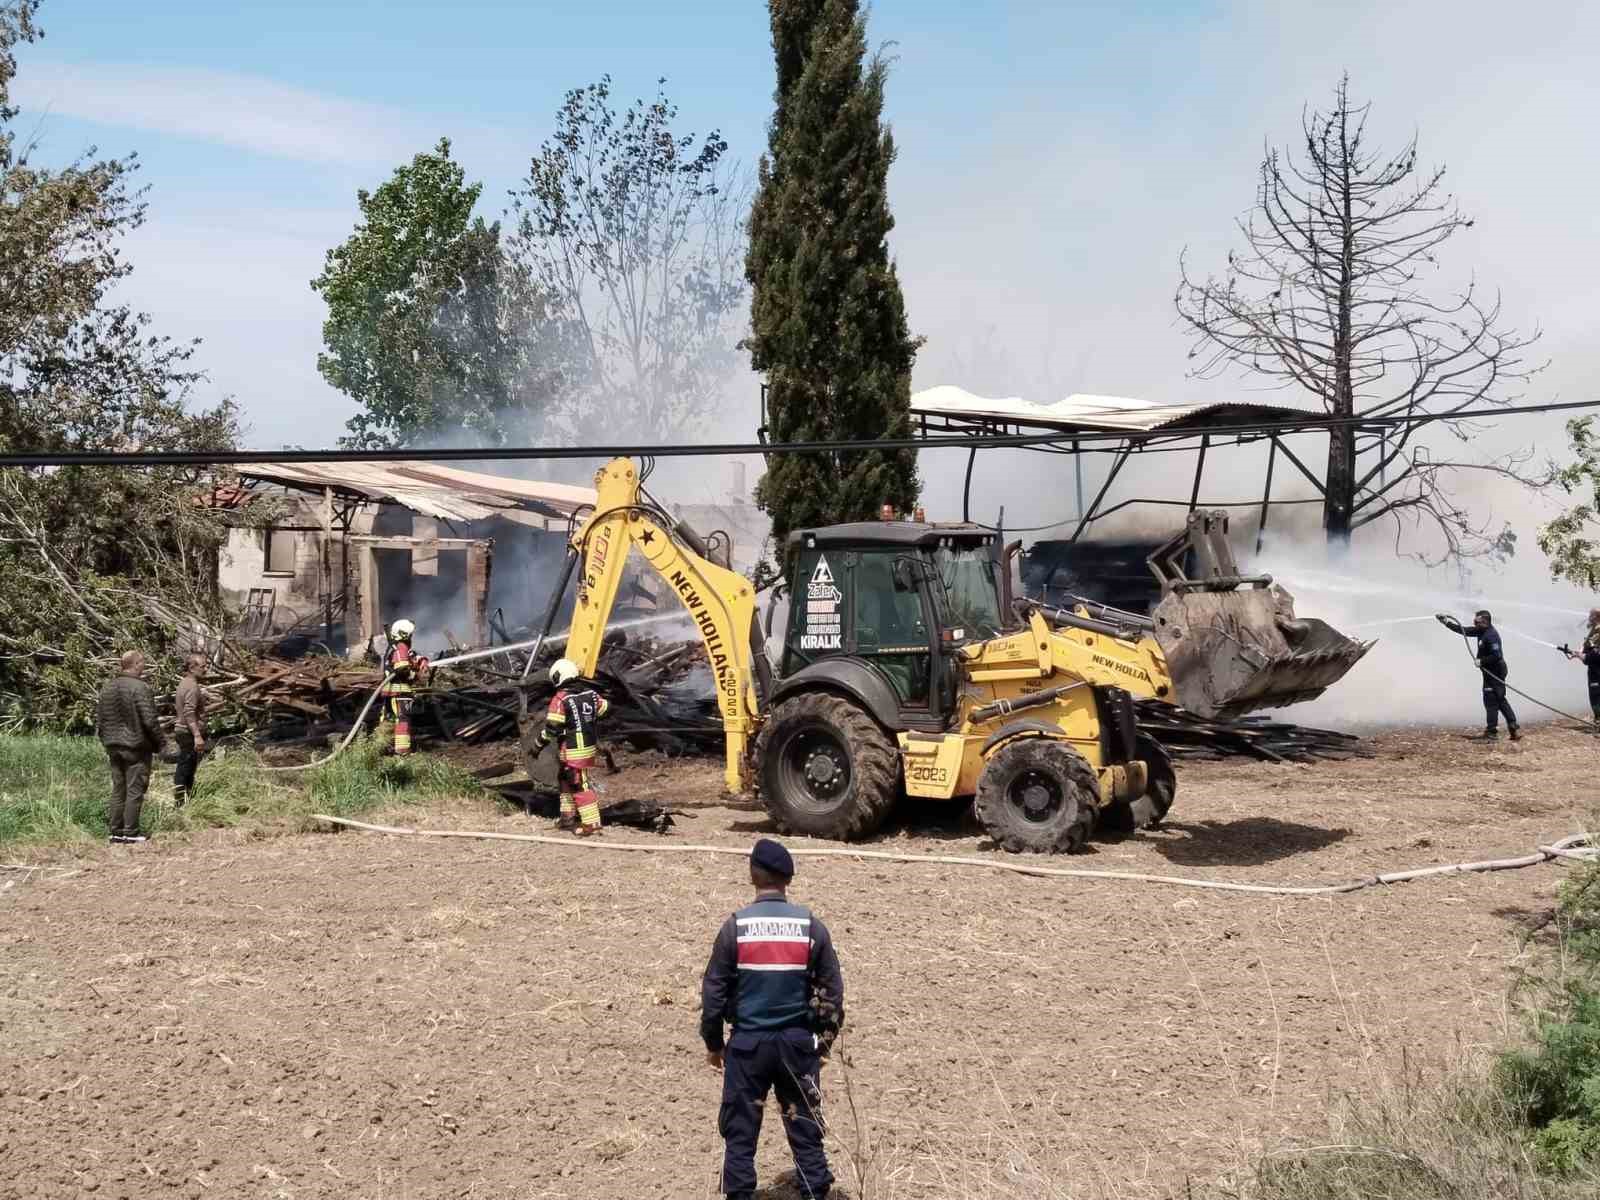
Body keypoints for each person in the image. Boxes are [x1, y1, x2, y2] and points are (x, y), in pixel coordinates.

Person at [700, 838, 844, 1200]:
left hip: (748, 1047)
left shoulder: (735, 927)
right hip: (797, 1046)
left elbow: (714, 993)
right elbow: (832, 993)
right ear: (788, 880)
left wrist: (714, 1044)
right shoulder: (812, 927)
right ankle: (814, 1190)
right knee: (805, 1126)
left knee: (740, 1132)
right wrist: (823, 1043)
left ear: (752, 876)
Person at [95, 650, 166, 844]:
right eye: (142, 662)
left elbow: (100, 720)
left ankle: (115, 832)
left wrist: (105, 741)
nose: (144, 666)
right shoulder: (140, 688)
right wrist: (161, 744)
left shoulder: (107, 688)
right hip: (135, 746)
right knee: (135, 789)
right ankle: (131, 832)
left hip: (112, 745)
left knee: (119, 789)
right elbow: (149, 720)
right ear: (135, 664)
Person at [534, 658, 609, 836]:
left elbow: (552, 728)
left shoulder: (560, 699)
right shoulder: (591, 694)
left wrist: (538, 744)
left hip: (573, 749)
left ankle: (591, 824)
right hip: (588, 745)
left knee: (578, 784)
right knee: (564, 778)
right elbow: (605, 708)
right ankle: (567, 817)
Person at [1438, 609, 1521, 741]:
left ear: (1485, 621)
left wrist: (1482, 661)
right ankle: (1513, 725)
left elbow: (1496, 655)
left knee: (1491, 701)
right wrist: (1446, 623)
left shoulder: (1491, 635)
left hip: (1495, 671)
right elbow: (1464, 630)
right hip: (1491, 671)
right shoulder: (1481, 631)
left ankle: (1491, 733)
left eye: (1478, 621)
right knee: (1500, 698)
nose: (1475, 623)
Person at [381, 619, 430, 757]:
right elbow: (402, 669)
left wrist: (422, 660)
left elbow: (411, 657)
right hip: (399, 691)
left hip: (390, 691)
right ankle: (403, 752)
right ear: (405, 635)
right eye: (410, 635)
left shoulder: (396, 648)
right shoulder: (401, 647)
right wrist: (416, 673)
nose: (412, 638)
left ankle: (384, 747)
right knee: (403, 720)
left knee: (388, 720)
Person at [173, 653, 209, 807]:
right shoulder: (192, 687)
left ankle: (186, 801)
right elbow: (188, 712)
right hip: (188, 733)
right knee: (185, 769)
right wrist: (197, 735)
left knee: (186, 768)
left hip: (184, 732)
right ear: (192, 667)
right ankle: (181, 804)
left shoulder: (184, 683)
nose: (206, 669)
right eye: (203, 666)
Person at [1561, 608, 1600, 721]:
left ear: (1596, 617)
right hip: (1594, 667)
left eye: (1591, 615)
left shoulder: (1598, 630)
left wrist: (1579, 655)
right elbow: (1585, 647)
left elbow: (1593, 652)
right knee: (1595, 694)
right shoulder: (1594, 629)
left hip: (1597, 668)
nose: (1588, 617)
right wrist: (1574, 654)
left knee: (1595, 695)